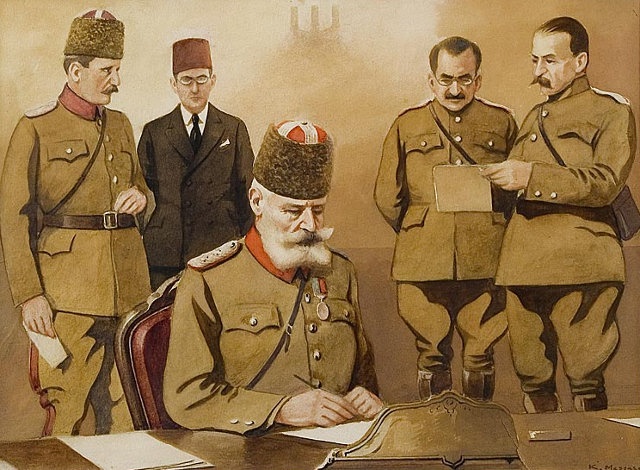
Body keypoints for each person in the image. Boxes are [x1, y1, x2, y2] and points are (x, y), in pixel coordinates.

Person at [164, 120, 383, 434]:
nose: (310, 225)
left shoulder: (341, 272)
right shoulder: (208, 279)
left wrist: (368, 400)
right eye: (293, 212)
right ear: (257, 201)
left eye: (317, 210)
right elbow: (186, 397)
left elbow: (364, 379)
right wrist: (280, 409)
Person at [0, 10, 153, 434]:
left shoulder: (120, 125)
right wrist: (30, 295)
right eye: (107, 70)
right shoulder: (35, 128)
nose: (117, 81)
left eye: (118, 69)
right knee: (67, 407)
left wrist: (142, 198)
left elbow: (143, 188)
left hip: (128, 290)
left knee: (127, 413)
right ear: (75, 71)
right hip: (66, 297)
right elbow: (12, 220)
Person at [482, 17, 636, 412]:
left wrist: (530, 176)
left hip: (581, 264)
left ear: (580, 62)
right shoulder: (534, 116)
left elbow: (605, 182)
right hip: (522, 268)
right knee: (532, 379)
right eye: (535, 60)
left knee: (586, 378)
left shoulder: (611, 111)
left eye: (550, 61)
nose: (538, 72)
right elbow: (515, 187)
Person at [374, 36, 518, 401]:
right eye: (446, 79)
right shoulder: (407, 125)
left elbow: (514, 193)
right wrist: (421, 230)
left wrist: (490, 227)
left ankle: (478, 426)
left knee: (480, 352)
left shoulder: (501, 122)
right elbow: (387, 195)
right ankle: (434, 425)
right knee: (431, 352)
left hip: (484, 260)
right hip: (422, 263)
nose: (455, 89)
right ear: (431, 80)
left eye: (465, 79)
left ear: (478, 80)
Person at [138, 38, 254, 289]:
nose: (194, 89)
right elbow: (142, 190)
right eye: (186, 80)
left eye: (201, 79)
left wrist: (245, 247)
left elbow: (247, 193)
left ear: (213, 80)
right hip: (167, 253)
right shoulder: (154, 132)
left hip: (219, 249)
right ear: (174, 84)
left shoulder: (233, 128)